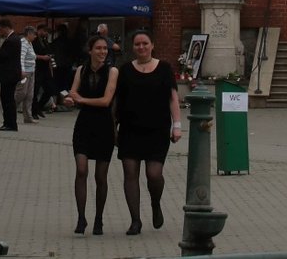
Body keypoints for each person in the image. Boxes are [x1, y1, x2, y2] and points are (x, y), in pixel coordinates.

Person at [115, 29, 181, 236]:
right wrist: (113, 127)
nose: (141, 48)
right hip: (130, 129)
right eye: (137, 44)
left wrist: (177, 124)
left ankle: (155, 203)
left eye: (145, 43)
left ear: (152, 45)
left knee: (154, 174)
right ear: (132, 47)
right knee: (130, 173)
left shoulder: (164, 68)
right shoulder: (124, 70)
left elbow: (173, 97)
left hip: (157, 129)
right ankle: (135, 220)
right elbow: (117, 101)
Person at [65, 34, 119, 235]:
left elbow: (106, 101)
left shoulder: (112, 71)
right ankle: (81, 218)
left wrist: (81, 100)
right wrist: (69, 100)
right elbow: (72, 94)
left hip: (104, 126)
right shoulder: (81, 70)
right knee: (81, 170)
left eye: (105, 49)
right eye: (99, 48)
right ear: (90, 50)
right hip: (84, 125)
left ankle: (98, 218)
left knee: (100, 176)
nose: (103, 52)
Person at [0, 16, 22, 131]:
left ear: (6, 28)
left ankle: (10, 124)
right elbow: (6, 53)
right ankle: (9, 123)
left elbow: (4, 56)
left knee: (7, 99)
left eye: (1, 29)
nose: (0, 31)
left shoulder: (11, 40)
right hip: (12, 74)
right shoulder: (15, 38)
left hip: (9, 75)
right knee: (8, 99)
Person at [33, 24, 54, 117]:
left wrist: (49, 57)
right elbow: (31, 55)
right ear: (39, 30)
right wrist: (42, 57)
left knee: (50, 89)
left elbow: (48, 51)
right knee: (35, 90)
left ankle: (39, 107)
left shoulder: (45, 41)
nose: (46, 34)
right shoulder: (34, 41)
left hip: (45, 69)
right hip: (37, 68)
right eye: (45, 31)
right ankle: (34, 110)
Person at [19, 25, 38, 123]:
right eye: (34, 34)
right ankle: (9, 109)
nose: (35, 36)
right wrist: (22, 71)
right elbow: (21, 58)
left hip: (31, 71)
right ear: (29, 34)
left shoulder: (30, 43)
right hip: (25, 72)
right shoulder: (24, 43)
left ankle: (28, 117)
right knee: (22, 93)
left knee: (30, 95)